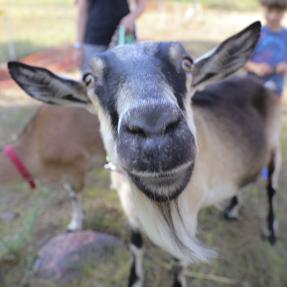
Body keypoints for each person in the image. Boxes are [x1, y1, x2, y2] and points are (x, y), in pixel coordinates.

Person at [74, 0, 146, 71]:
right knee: (94, 79)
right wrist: (79, 46)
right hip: (94, 41)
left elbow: (141, 4)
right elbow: (82, 11)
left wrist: (131, 18)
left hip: (123, 37)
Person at [245, 0, 287, 97]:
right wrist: (255, 67)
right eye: (269, 11)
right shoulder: (255, 34)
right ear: (263, 9)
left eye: (278, 12)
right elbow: (242, 60)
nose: (273, 16)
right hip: (252, 88)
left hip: (275, 91)